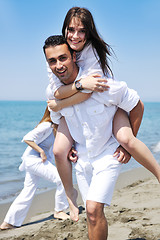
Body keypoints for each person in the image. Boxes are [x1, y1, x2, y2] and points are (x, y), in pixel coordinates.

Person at [46, 7, 160, 222]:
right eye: (71, 30)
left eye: (81, 31)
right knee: (59, 150)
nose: (75, 36)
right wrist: (59, 103)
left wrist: (65, 99)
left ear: (88, 34)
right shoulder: (58, 53)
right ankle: (70, 196)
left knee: (127, 139)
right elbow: (55, 91)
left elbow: (87, 93)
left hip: (109, 105)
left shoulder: (92, 60)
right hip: (83, 125)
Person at [0, 107, 69, 230]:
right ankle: (59, 210)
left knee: (28, 190)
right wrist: (41, 151)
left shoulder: (56, 127)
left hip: (33, 161)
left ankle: (9, 222)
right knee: (61, 180)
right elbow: (27, 137)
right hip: (34, 160)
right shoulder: (47, 125)